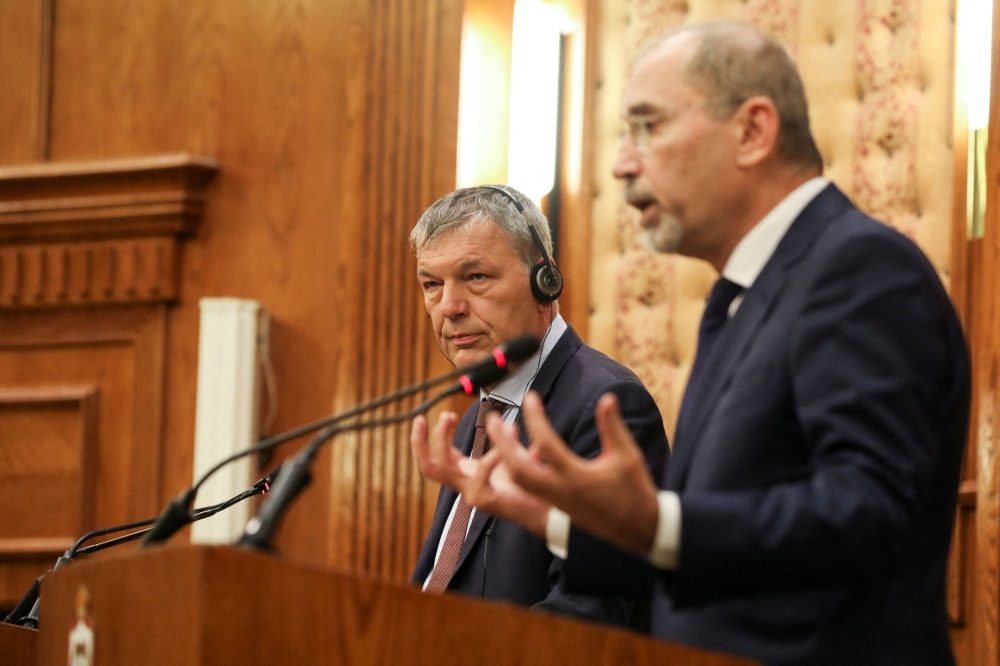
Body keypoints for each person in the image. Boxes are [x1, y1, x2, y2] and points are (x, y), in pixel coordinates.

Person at [416, 22, 971, 666]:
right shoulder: (742, 297)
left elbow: (869, 517)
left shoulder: (861, 268)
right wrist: (568, 524)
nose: (623, 162)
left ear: (753, 131)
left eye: (648, 126)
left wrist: (658, 524)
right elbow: (716, 555)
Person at [407, 185, 668, 629]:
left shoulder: (605, 403)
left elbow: (594, 612)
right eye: (432, 284)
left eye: (476, 278)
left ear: (544, 281)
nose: (448, 307)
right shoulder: (479, 417)